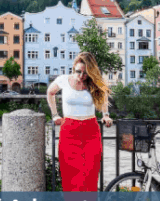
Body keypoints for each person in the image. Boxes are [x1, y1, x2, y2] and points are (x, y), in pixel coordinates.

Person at [47, 52, 113, 192]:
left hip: (91, 131)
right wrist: (55, 115)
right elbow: (50, 93)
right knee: (70, 173)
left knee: (90, 173)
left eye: (85, 73)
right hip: (69, 131)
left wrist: (106, 115)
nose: (82, 75)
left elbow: (103, 96)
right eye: (78, 71)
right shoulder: (63, 80)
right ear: (73, 68)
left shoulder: (93, 83)